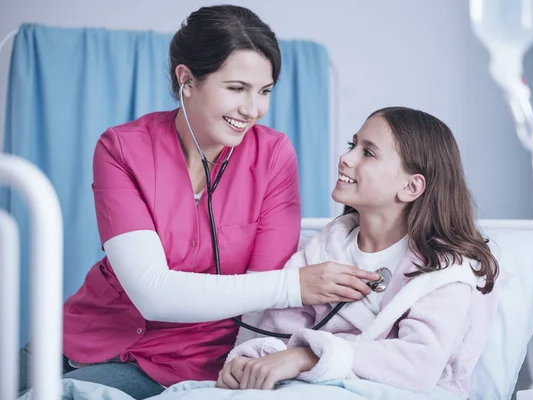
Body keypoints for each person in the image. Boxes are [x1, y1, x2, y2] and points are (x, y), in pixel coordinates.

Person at [18, 5, 380, 399]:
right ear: (187, 79)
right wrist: (295, 285)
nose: (253, 109)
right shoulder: (122, 148)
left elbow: (264, 302)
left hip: (181, 362)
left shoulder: (273, 156)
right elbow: (152, 292)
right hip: (83, 334)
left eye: (264, 91)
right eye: (237, 88)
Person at [216, 107, 503, 399]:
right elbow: (275, 336)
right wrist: (252, 361)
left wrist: (307, 357)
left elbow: (418, 365)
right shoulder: (320, 253)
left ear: (411, 186)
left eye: (368, 153)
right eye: (353, 146)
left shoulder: (444, 271)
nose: (345, 158)